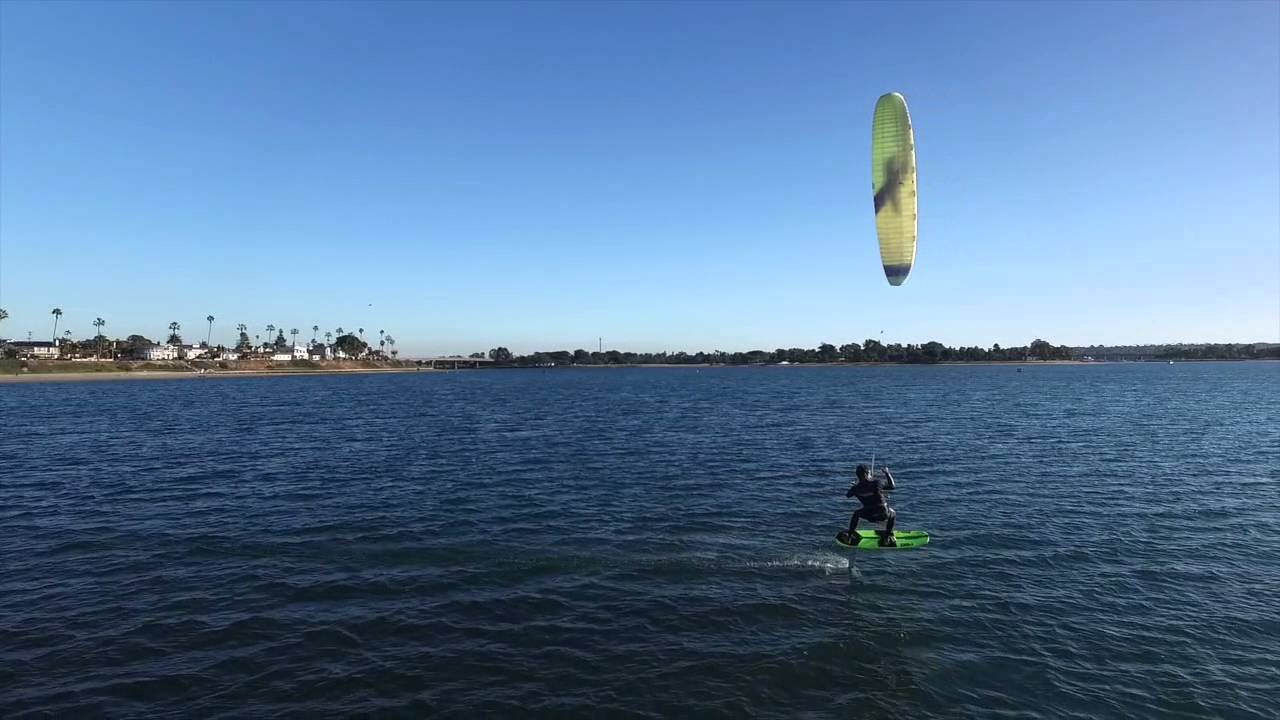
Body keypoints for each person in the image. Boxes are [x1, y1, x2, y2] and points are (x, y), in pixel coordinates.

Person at [843, 464, 897, 547]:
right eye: (869, 473)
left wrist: (855, 486)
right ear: (866, 474)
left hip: (869, 516)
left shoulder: (855, 488)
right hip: (882, 515)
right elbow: (892, 486)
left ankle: (849, 536)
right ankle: (887, 538)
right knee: (893, 513)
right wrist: (887, 473)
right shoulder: (877, 483)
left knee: (856, 513)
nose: (871, 474)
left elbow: (848, 495)